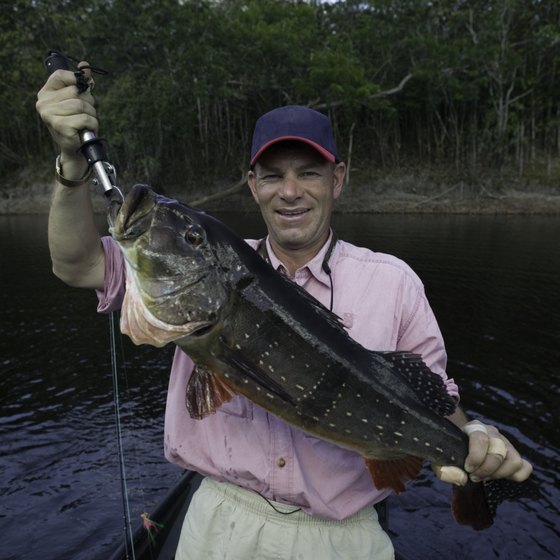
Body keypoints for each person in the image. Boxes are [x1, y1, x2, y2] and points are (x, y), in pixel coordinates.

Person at [37, 68, 532, 560]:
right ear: (253, 186)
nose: (290, 191)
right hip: (219, 523)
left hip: (344, 538)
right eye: (273, 175)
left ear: (337, 180)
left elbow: (437, 398)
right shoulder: (201, 271)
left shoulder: (394, 281)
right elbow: (76, 262)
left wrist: (473, 439)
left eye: (308, 173)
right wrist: (70, 162)